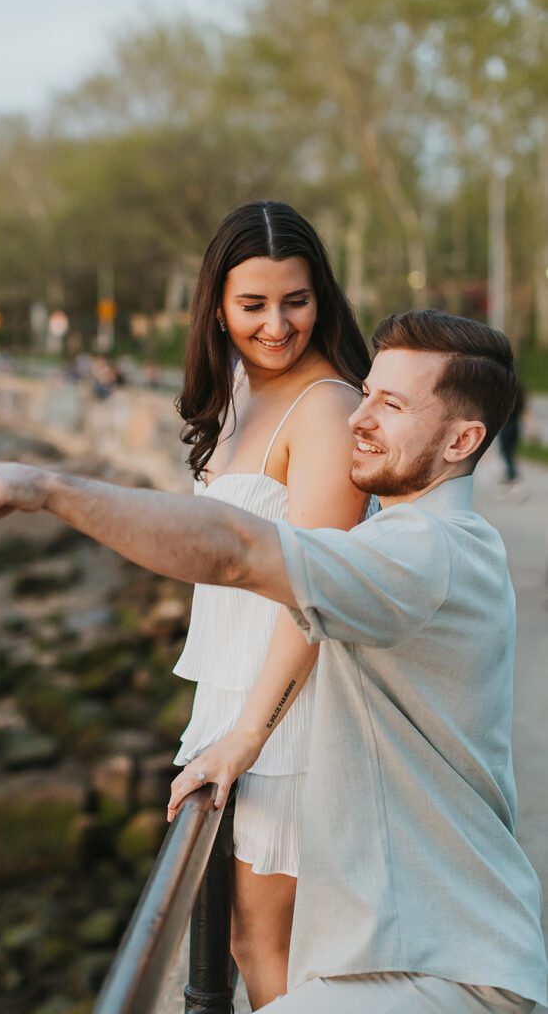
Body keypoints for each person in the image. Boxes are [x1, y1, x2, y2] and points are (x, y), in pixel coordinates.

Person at [0, 309, 548, 1012]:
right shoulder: (409, 540)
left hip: (446, 970)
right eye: (365, 393)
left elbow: (235, 550)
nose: (358, 418)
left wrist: (48, 490)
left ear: (463, 440)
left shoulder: (425, 553)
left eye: (391, 404)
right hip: (402, 955)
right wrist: (246, 737)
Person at [171, 201, 371, 1005]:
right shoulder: (239, 397)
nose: (277, 324)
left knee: (269, 946)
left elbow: (315, 595)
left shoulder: (323, 407)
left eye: (295, 299)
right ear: (216, 306)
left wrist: (250, 734)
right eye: (252, 304)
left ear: (321, 295)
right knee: (234, 934)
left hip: (290, 714)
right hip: (232, 700)